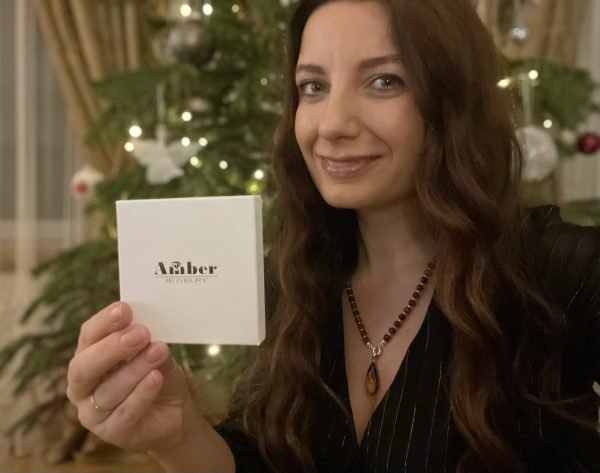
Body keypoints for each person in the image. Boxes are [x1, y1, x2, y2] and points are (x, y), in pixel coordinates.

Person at [66, 0, 600, 472]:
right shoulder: (293, 283)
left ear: (449, 100)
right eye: (313, 87)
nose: (332, 123)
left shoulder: (559, 274)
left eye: (384, 80)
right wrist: (179, 438)